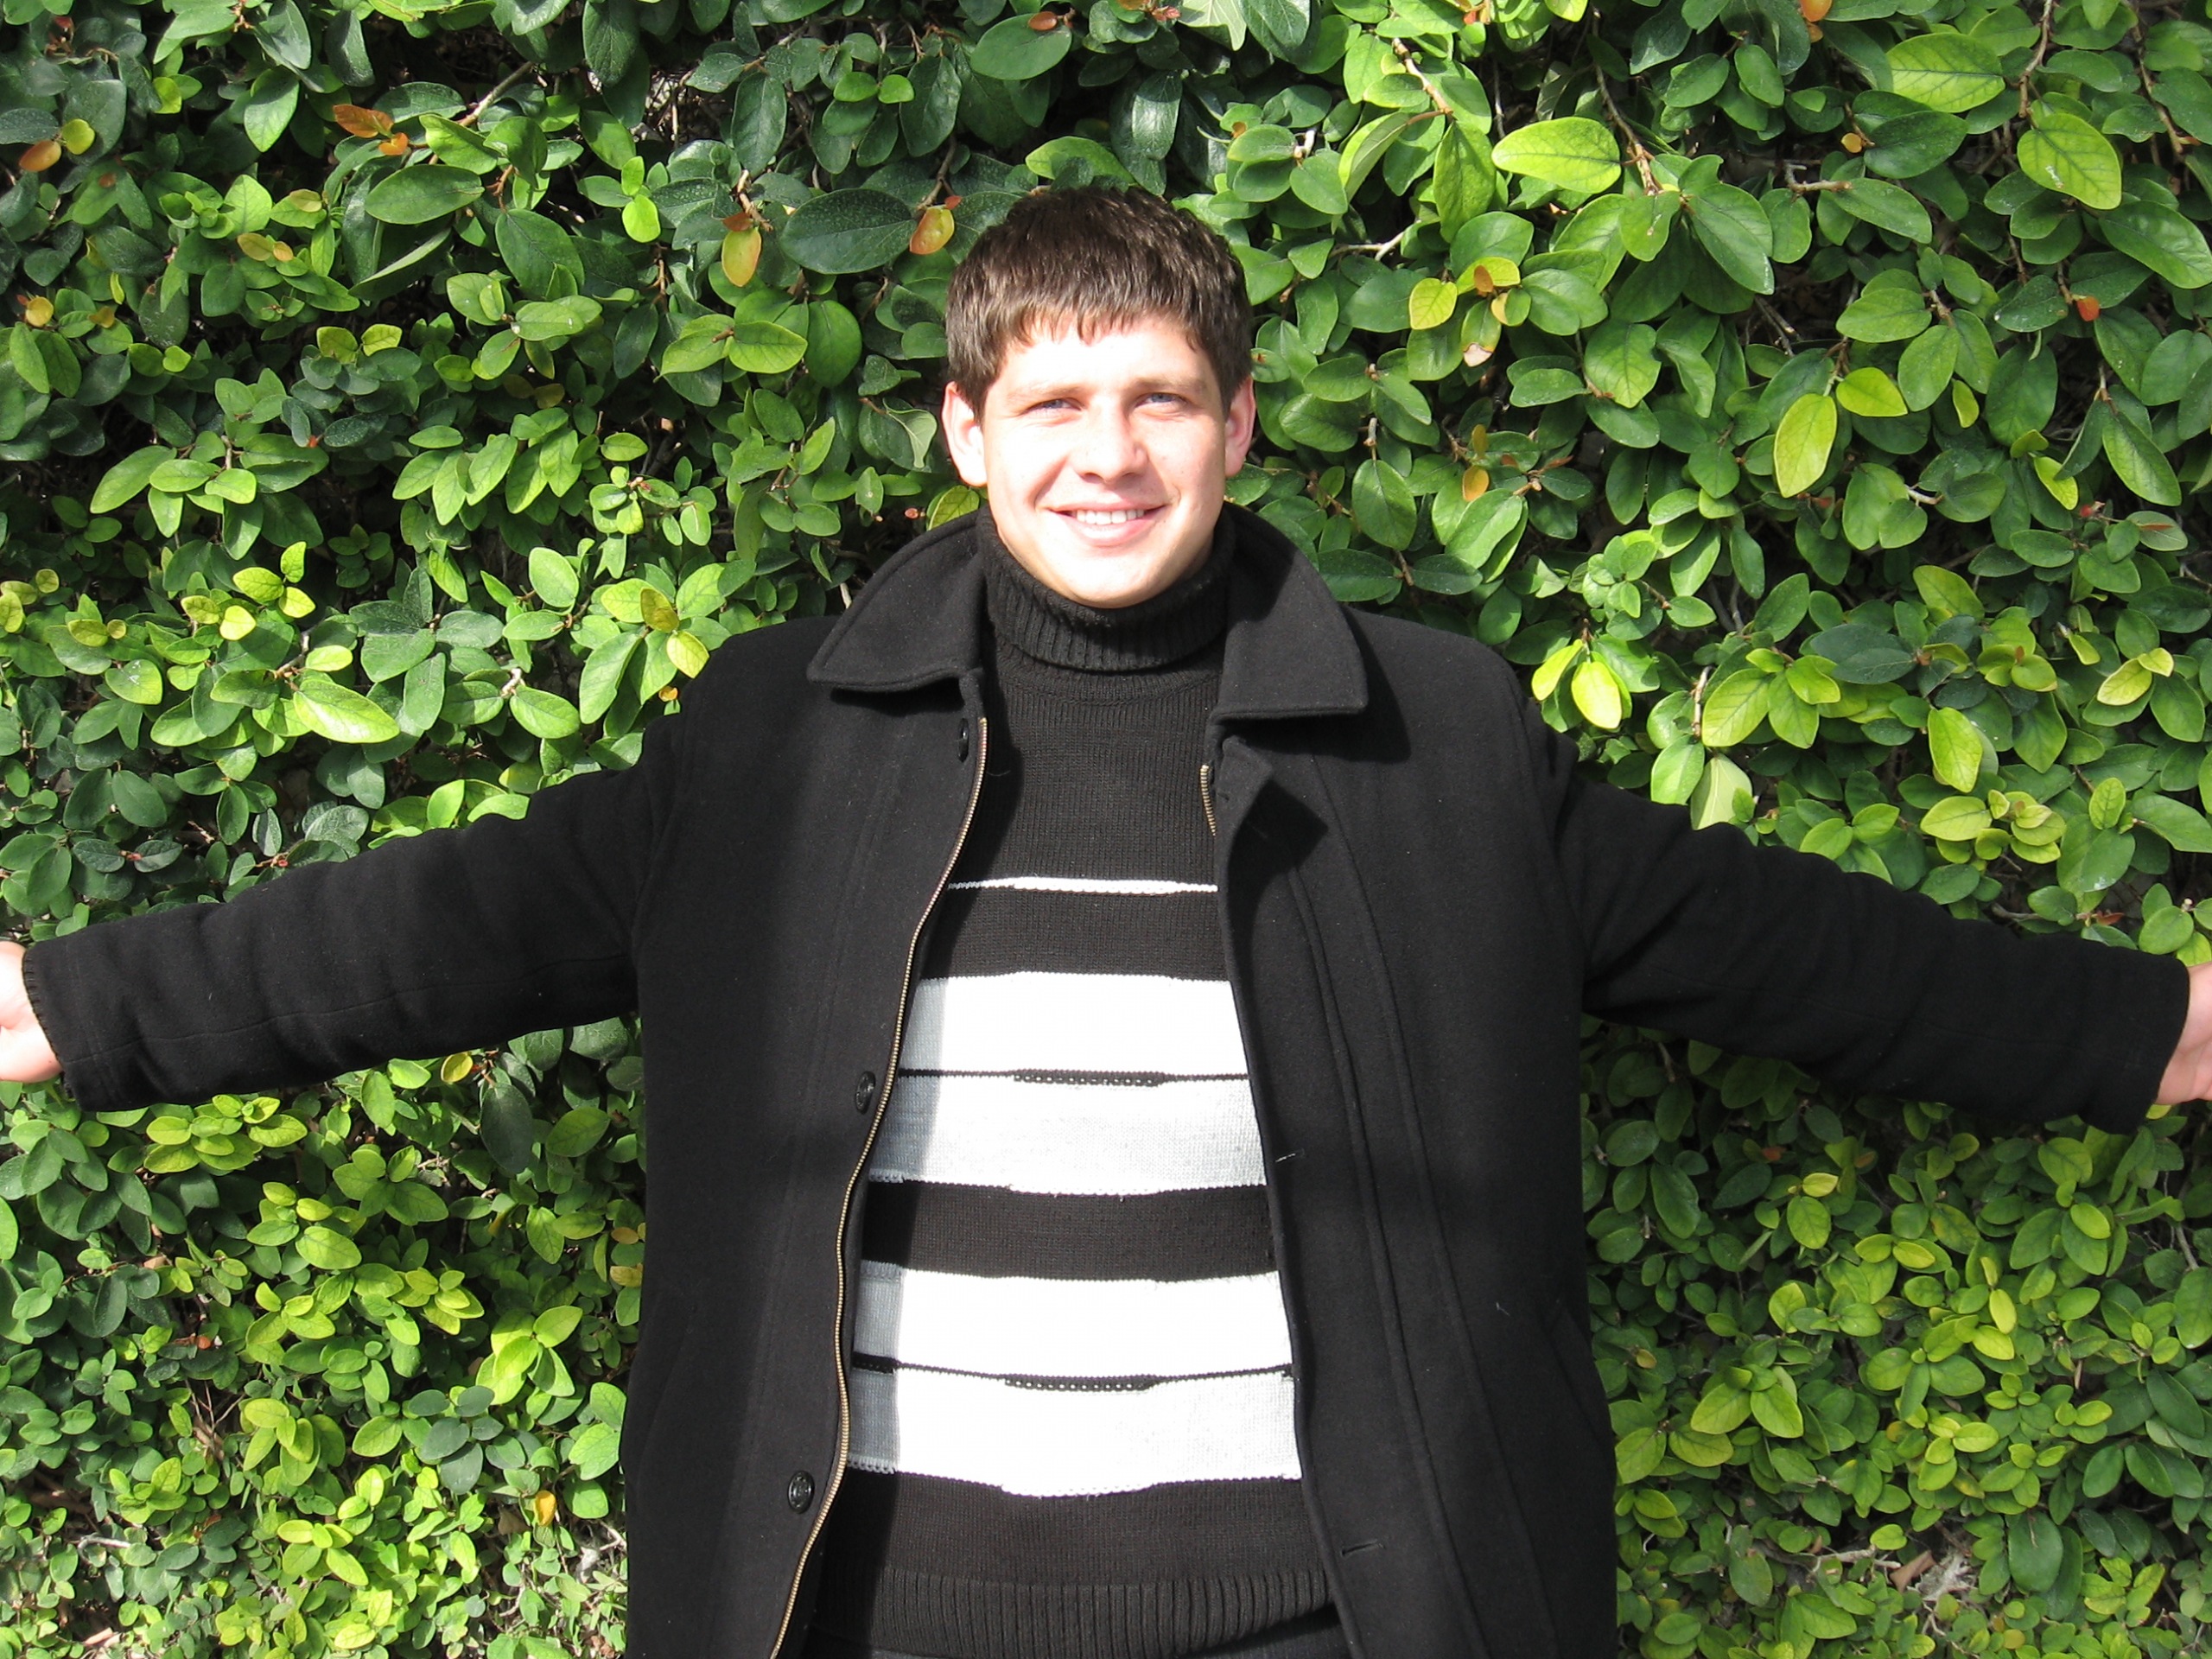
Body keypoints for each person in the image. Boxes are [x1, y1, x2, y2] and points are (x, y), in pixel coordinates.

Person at [3, 186, 2211, 1659]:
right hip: (857, 1614)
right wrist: (65, 1005)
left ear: (1235, 425)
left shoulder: (1432, 745)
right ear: (964, 434)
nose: (1106, 452)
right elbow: (437, 928)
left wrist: (2154, 1029)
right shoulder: (778, 737)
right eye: (1050, 401)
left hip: (1326, 1619)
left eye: (1157, 397)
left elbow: (1804, 955)